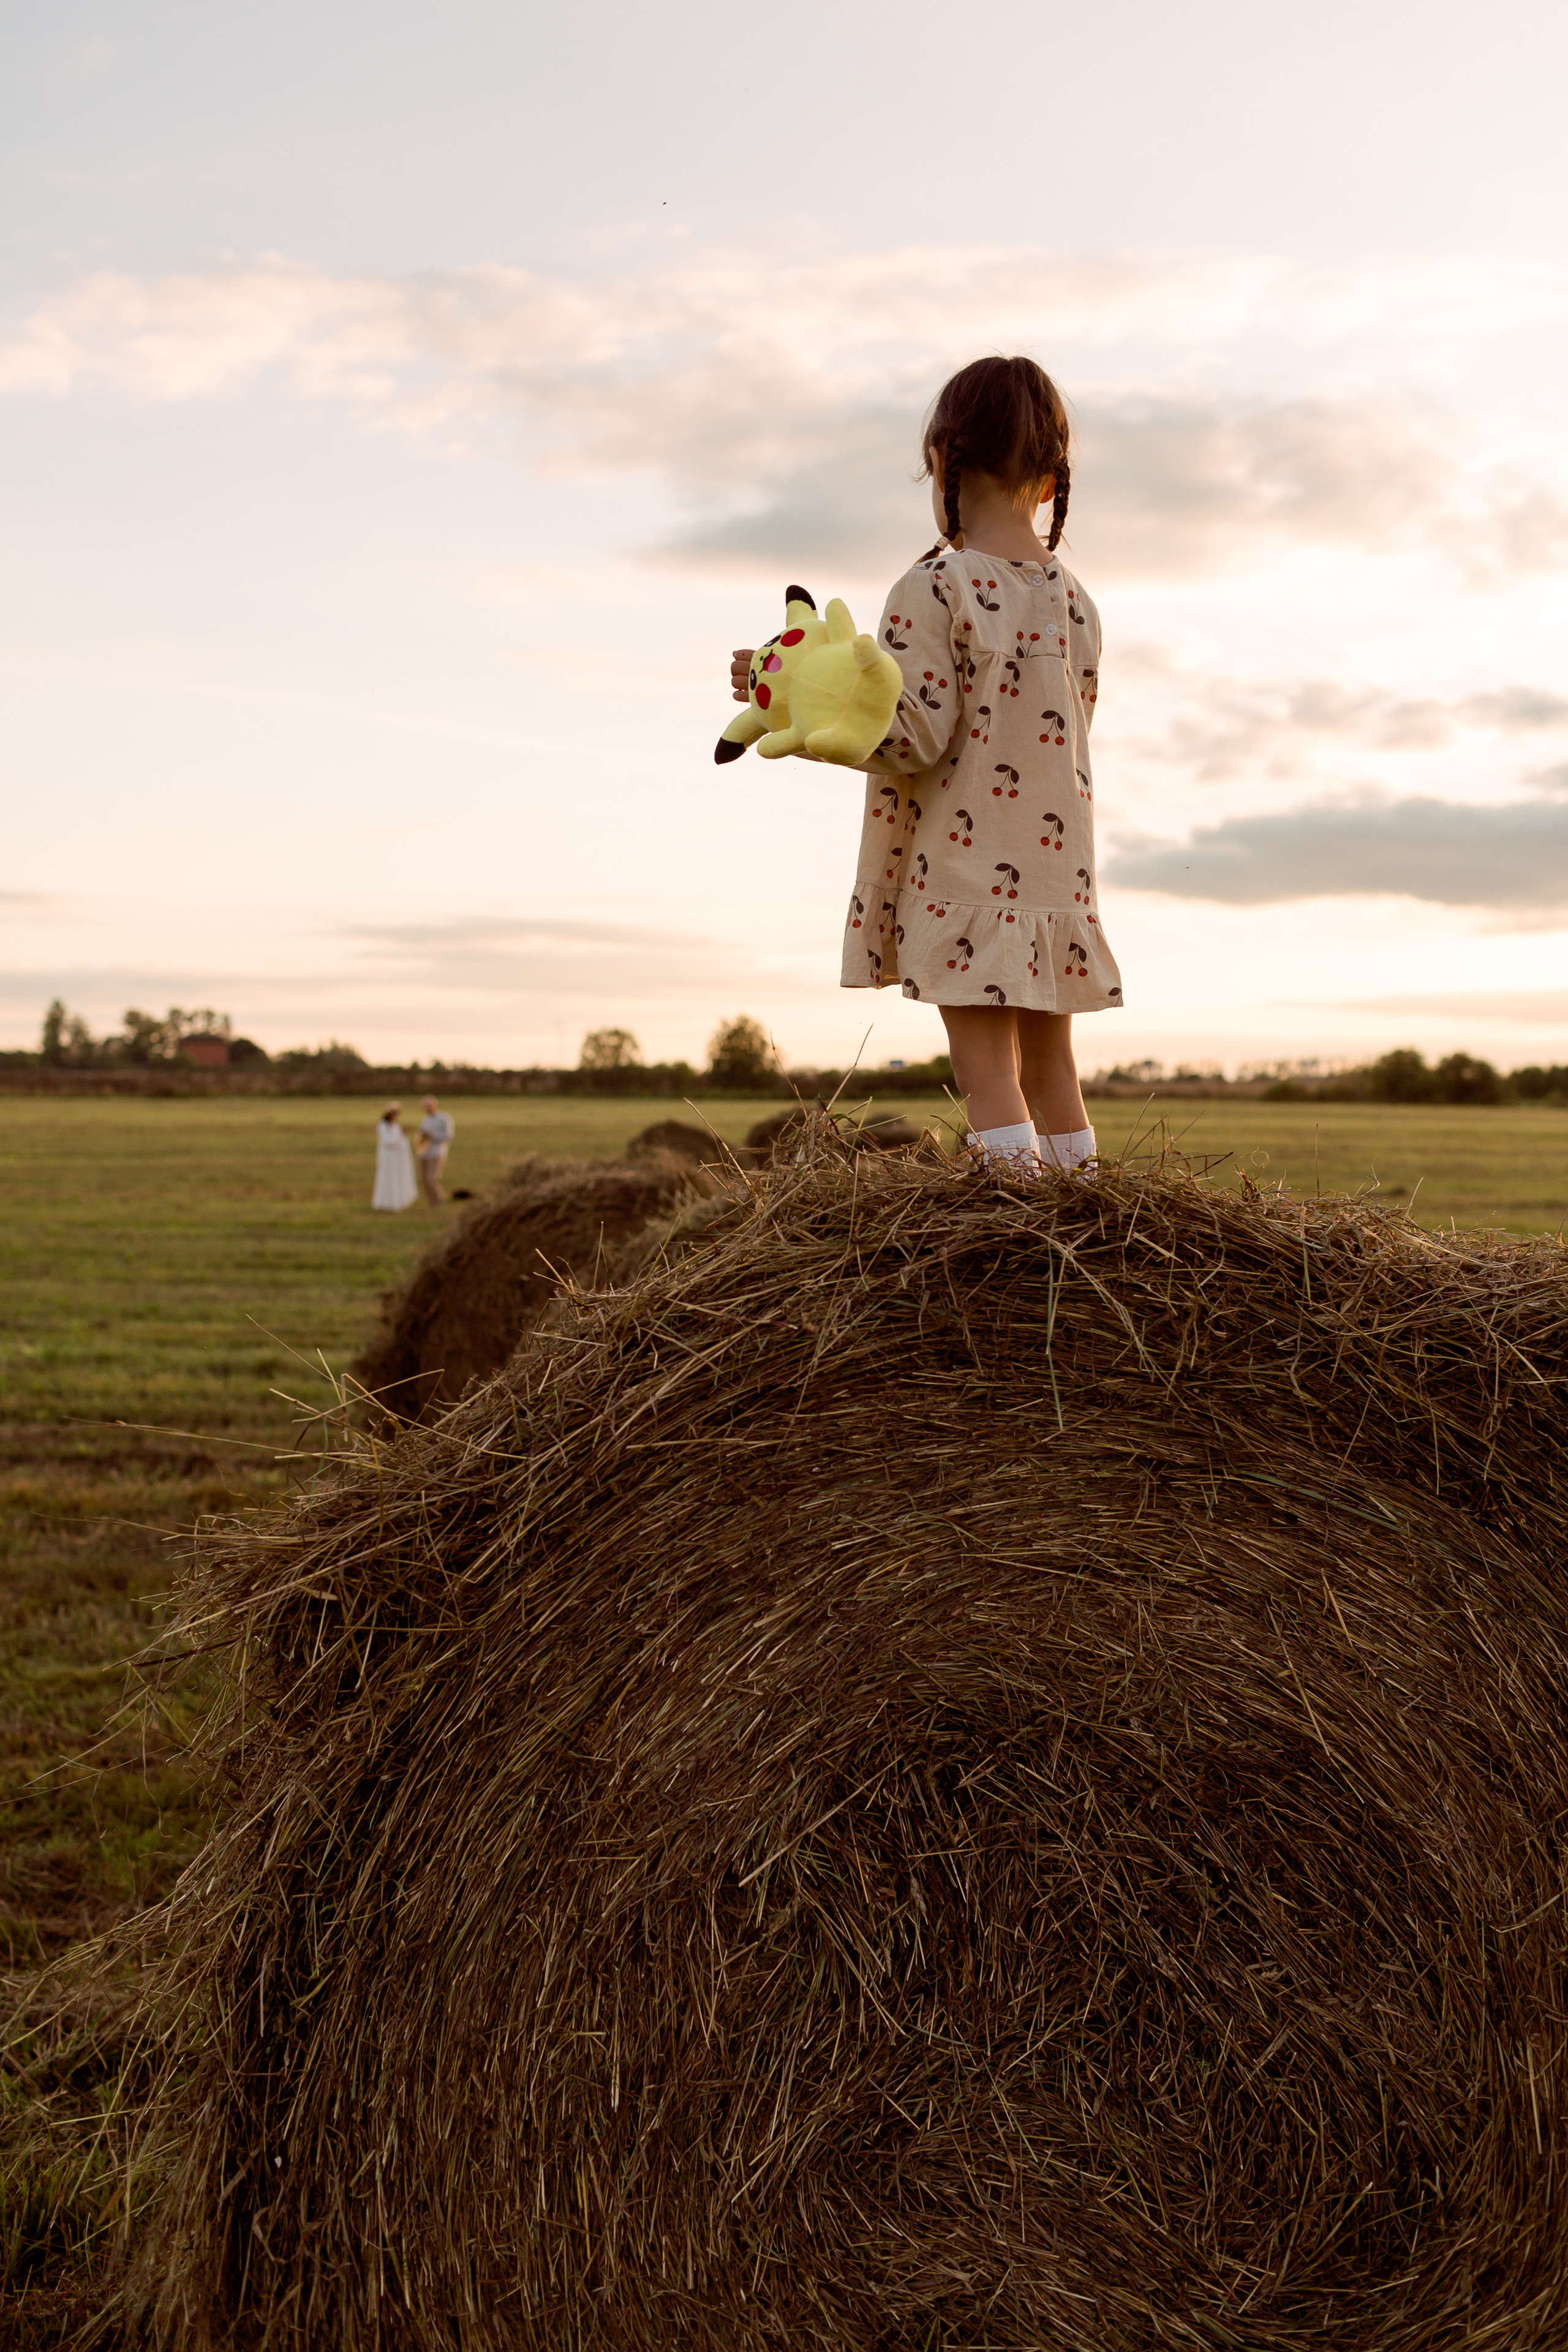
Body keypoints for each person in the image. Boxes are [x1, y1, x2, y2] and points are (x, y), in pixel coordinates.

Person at [731, 355, 1121, 1172]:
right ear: (1052, 482)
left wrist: (795, 705)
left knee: (986, 1077)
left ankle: (1013, 1237)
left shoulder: (934, 589)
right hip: (1058, 878)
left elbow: (914, 736)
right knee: (1053, 1073)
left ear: (941, 462)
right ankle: (1087, 1214)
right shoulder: (1078, 600)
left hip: (968, 871)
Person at [372, 1103, 418, 1212]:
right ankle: (387, 1202)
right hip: (389, 1158)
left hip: (398, 1158)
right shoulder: (383, 1126)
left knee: (398, 1178)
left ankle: (399, 1200)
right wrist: (401, 1134)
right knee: (389, 1178)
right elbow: (388, 1141)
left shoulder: (395, 1126)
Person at [416, 1095, 454, 1205]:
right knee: (424, 1181)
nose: (427, 1109)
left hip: (437, 1153)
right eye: (425, 1107)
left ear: (434, 1105)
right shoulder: (426, 1119)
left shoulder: (444, 1118)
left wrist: (432, 1136)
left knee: (431, 1179)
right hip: (424, 1153)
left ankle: (439, 1201)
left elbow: (448, 1137)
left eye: (429, 1106)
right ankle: (431, 1203)